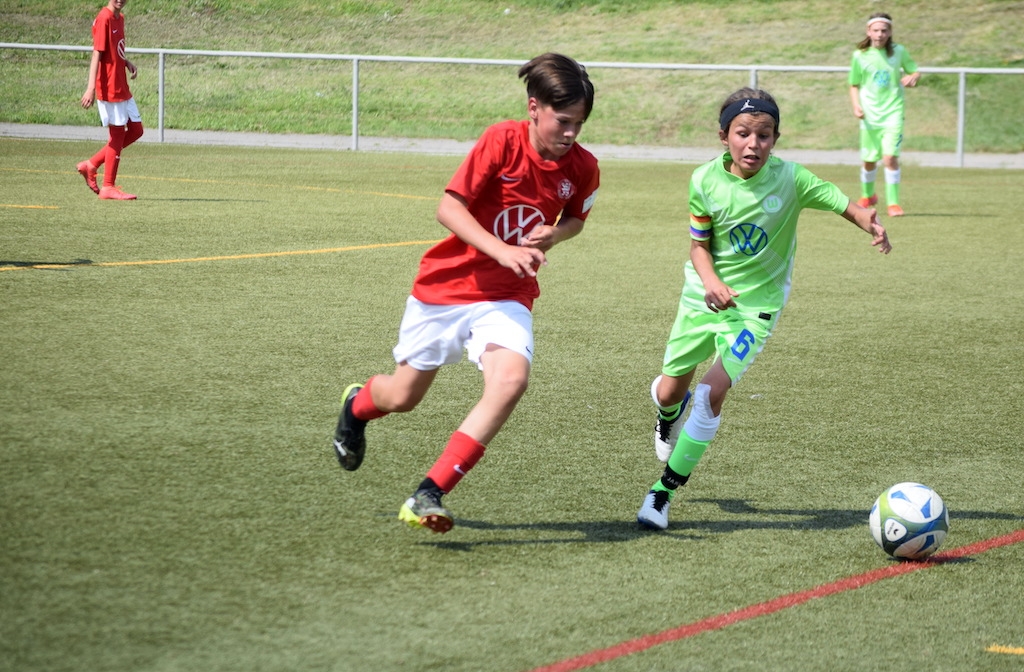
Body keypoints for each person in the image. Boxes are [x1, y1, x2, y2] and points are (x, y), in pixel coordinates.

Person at [331, 53, 600, 534]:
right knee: (401, 397)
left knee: (510, 381)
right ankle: (357, 406)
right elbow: (448, 208)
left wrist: (554, 236)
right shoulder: (502, 140)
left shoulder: (582, 167)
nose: (571, 133)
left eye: (580, 123)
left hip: (508, 296)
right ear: (533, 107)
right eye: (563, 121)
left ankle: (428, 492)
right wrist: (501, 249)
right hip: (446, 288)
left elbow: (577, 218)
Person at [636, 88, 891, 531]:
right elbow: (698, 246)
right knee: (670, 391)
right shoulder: (703, 181)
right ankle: (665, 413)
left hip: (757, 308)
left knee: (710, 393)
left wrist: (871, 222)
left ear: (775, 139)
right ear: (724, 136)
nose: (754, 144)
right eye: (743, 134)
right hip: (703, 295)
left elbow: (843, 203)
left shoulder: (792, 179)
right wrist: (712, 282)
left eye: (765, 135)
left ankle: (662, 493)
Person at [848, 12, 920, 217]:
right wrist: (856, 106)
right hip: (869, 116)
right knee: (869, 160)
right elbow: (853, 84)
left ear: (890, 32)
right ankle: (868, 195)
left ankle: (894, 203)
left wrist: (913, 77)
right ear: (868, 31)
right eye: (876, 30)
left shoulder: (899, 52)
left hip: (893, 114)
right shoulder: (859, 55)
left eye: (884, 30)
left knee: (890, 158)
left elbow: (914, 71)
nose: (880, 34)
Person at [77, 0, 143, 200]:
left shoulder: (119, 18)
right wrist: (90, 89)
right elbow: (97, 55)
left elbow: (114, 51)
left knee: (136, 130)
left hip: (122, 85)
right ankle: (108, 187)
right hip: (109, 88)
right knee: (116, 135)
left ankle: (91, 165)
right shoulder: (104, 18)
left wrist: (126, 62)